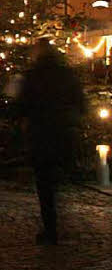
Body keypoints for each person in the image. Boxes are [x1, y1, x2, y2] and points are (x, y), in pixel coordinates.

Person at [14, 38, 85, 245]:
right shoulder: (68, 74)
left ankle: (51, 228)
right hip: (63, 133)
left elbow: (21, 105)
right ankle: (60, 222)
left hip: (41, 134)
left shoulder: (31, 75)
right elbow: (81, 104)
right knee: (57, 179)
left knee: (45, 185)